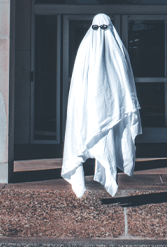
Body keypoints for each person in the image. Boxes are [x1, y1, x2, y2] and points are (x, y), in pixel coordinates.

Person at [61, 13, 142, 197]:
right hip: (89, 110)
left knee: (109, 144)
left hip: (113, 111)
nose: (100, 33)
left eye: (103, 28)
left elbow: (124, 81)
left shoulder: (117, 50)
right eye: (96, 28)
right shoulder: (87, 49)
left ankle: (109, 176)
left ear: (110, 28)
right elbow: (79, 86)